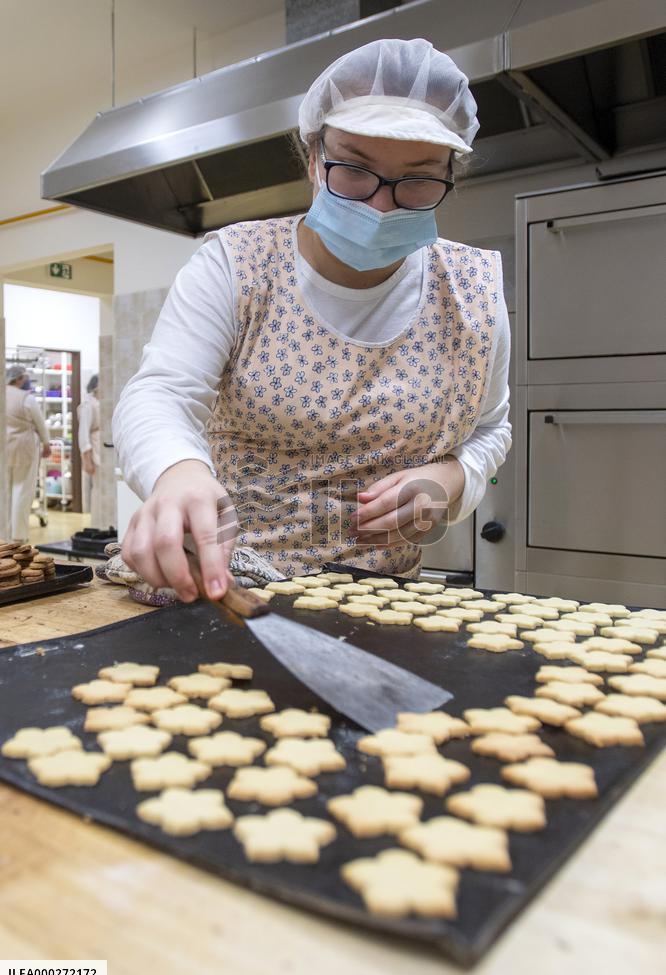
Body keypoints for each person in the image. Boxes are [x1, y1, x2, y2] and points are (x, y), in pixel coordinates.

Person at [114, 37, 511, 604]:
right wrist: (177, 471)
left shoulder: (472, 292)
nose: (380, 205)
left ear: (450, 177)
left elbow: (491, 429)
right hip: (230, 592)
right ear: (314, 160)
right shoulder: (239, 264)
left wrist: (453, 481)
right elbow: (161, 393)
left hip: (383, 605)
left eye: (418, 179)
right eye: (354, 169)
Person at [5, 364, 51, 540]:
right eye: (25, 378)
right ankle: (18, 535)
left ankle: (5, 532)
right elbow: (40, 423)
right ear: (18, 379)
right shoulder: (27, 398)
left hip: (4, 447)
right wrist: (46, 444)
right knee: (22, 490)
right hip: (24, 447)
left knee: (5, 492)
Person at [78, 373, 101, 526]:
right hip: (95, 449)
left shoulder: (102, 402)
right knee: (98, 489)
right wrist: (86, 460)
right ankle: (98, 524)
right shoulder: (88, 404)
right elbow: (83, 434)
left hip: (103, 447)